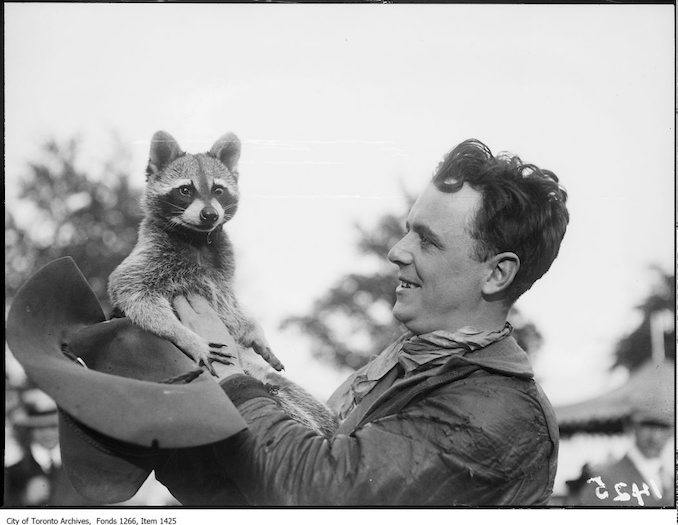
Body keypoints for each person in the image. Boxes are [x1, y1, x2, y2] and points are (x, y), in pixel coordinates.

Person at [155, 138, 570, 506]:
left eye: (426, 240)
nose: (397, 251)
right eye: (408, 230)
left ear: (497, 274)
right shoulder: (406, 362)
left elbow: (315, 491)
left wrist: (226, 364)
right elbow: (246, 489)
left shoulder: (500, 415)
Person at [573, 410, 675, 507]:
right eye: (647, 425)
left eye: (663, 427)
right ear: (631, 427)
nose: (655, 436)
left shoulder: (669, 480)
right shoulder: (604, 480)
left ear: (671, 432)